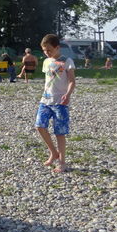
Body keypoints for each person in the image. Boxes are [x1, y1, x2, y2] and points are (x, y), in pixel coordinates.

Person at [35, 34, 75, 174]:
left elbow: (72, 81)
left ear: (57, 47)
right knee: (39, 126)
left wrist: (67, 94)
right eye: (44, 50)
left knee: (60, 133)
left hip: (60, 102)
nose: (47, 53)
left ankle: (62, 162)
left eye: (49, 50)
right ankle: (53, 152)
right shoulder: (46, 62)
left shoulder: (67, 61)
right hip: (45, 100)